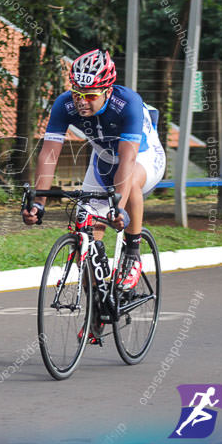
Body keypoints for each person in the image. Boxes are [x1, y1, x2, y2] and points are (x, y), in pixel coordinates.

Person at [22, 48, 166, 297]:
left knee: (128, 183)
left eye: (90, 95)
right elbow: (49, 154)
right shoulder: (63, 104)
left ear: (108, 91)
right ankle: (96, 314)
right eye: (78, 93)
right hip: (102, 159)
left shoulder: (126, 103)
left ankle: (132, 254)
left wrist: (117, 208)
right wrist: (39, 202)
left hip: (143, 156)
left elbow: (128, 158)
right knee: (85, 234)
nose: (81, 101)